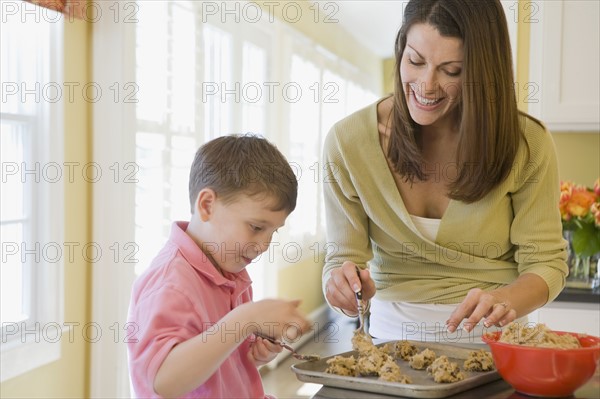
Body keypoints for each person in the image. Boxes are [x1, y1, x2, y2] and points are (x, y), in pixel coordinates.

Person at [322, 0, 568, 343]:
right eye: (415, 61)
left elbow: (546, 263)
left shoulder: (527, 143)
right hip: (390, 343)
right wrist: (341, 285)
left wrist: (506, 300)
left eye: (451, 70)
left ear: (483, 72)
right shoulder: (348, 143)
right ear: (400, 49)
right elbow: (342, 258)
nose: (426, 85)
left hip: (498, 344)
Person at [127, 134, 311, 398]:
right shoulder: (171, 283)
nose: (264, 244)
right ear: (207, 205)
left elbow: (216, 365)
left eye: (273, 232)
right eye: (256, 227)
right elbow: (163, 381)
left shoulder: (232, 273)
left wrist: (252, 356)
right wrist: (246, 319)